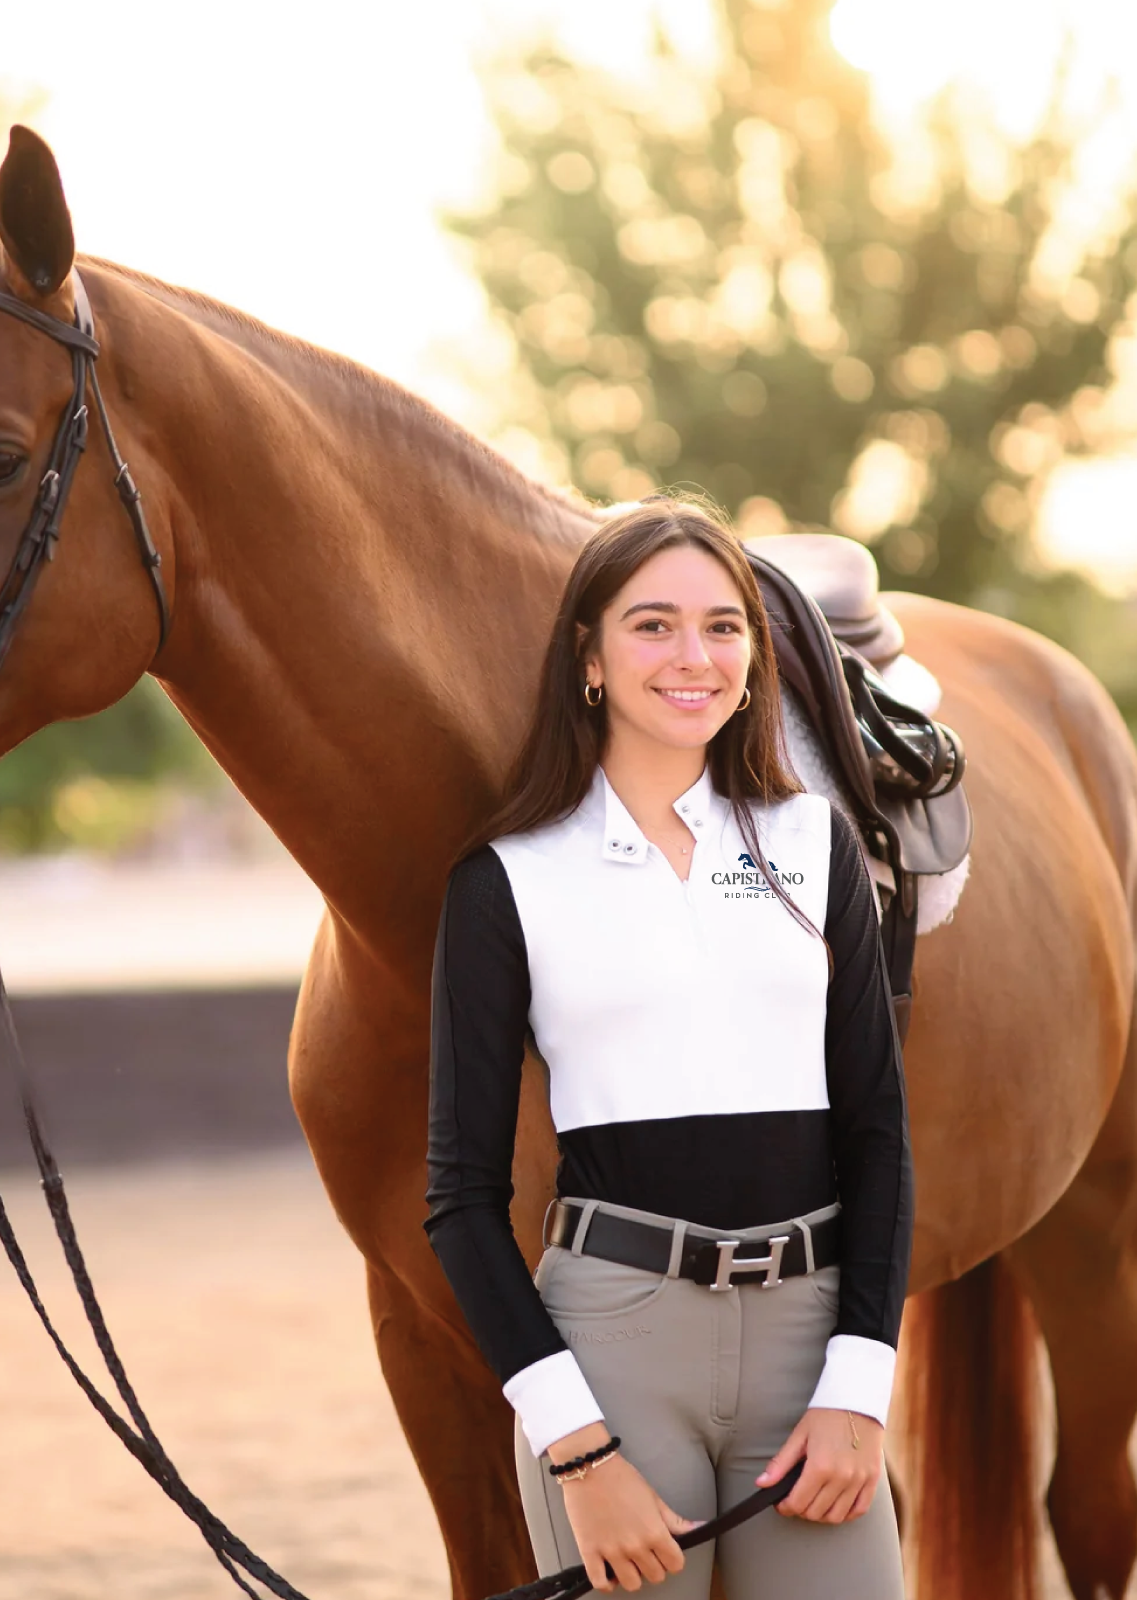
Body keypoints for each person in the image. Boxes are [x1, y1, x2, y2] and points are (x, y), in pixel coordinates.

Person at [425, 497, 911, 1597]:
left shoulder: (814, 841)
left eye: (722, 625)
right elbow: (459, 1197)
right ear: (588, 659)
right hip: (614, 1347)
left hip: (810, 1334)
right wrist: (577, 1449)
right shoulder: (506, 877)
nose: (693, 655)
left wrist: (858, 1382)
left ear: (752, 655)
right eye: (651, 625)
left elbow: (879, 1135)